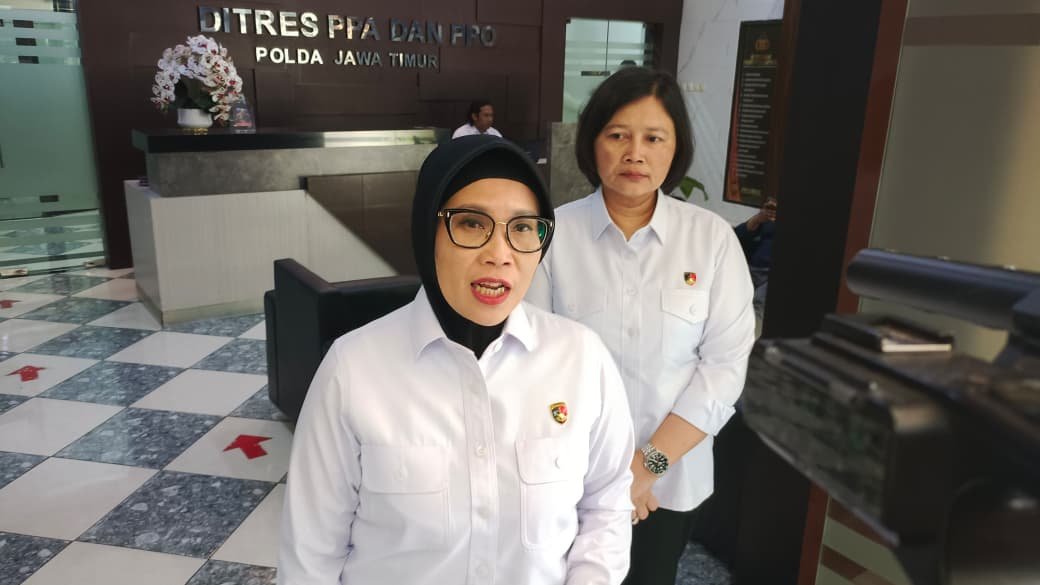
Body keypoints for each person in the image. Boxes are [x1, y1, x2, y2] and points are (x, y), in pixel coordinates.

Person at [280, 135, 636, 585]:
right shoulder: (353, 370)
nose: (500, 255)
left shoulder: (581, 359)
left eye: (523, 227)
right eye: (470, 223)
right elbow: (311, 553)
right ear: (427, 230)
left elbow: (606, 502)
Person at [527, 67, 756, 585]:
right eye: (618, 136)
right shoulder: (551, 237)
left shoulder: (712, 241)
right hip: (568, 476)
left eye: (654, 138)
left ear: (676, 149)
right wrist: (603, 475)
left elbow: (724, 367)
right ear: (592, 143)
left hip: (669, 480)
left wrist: (644, 467)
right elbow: (534, 364)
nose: (635, 153)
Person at [734, 196, 777, 321]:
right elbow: (737, 235)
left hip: (769, 275)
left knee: (758, 303)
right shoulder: (761, 223)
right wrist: (758, 219)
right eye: (768, 207)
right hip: (751, 270)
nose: (771, 211)